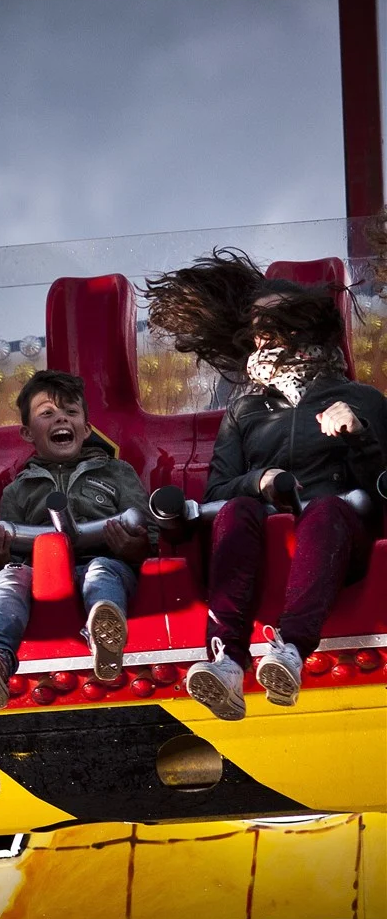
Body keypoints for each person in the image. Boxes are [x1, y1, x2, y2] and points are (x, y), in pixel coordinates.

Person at [143, 251, 387, 719]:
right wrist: (261, 480)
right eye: (258, 326)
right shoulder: (246, 409)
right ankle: (227, 661)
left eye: (277, 323)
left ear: (307, 328)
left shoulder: (363, 400)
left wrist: (359, 437)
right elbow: (216, 493)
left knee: (326, 509)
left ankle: (290, 650)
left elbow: (381, 494)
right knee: (236, 510)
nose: (264, 336)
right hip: (265, 539)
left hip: (337, 539)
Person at [0, 371, 152, 709]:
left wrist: (133, 545)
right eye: (47, 413)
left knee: (101, 570)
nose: (61, 418)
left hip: (106, 563)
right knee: (9, 576)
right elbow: (9, 556)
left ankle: (103, 637)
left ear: (86, 429)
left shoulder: (118, 473)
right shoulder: (18, 490)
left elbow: (148, 536)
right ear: (28, 433)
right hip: (42, 577)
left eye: (71, 412)